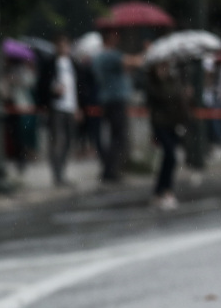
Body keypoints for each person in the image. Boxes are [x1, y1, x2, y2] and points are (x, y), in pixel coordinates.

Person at [92, 29, 142, 183]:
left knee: (114, 136)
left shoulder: (100, 57)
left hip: (108, 100)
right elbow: (133, 62)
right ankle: (110, 171)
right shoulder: (110, 55)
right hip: (115, 100)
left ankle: (110, 169)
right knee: (118, 137)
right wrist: (147, 52)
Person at [145, 61, 191, 210]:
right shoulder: (154, 84)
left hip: (174, 123)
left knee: (169, 159)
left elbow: (178, 100)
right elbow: (163, 97)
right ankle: (166, 190)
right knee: (170, 155)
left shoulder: (174, 80)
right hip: (160, 124)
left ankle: (161, 190)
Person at [42, 34, 81, 186]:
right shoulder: (50, 64)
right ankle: (57, 174)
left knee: (69, 141)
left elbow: (78, 88)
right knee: (58, 140)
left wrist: (79, 108)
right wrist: (53, 90)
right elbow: (43, 84)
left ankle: (62, 171)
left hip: (71, 107)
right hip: (57, 107)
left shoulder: (73, 64)